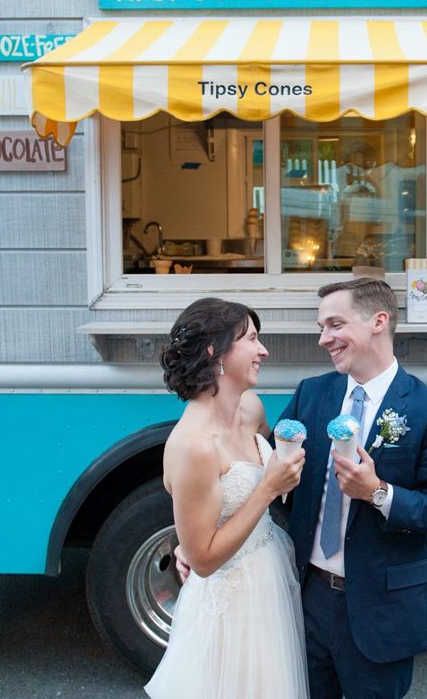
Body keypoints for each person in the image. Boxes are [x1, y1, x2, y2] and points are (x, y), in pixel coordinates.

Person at [281, 277, 427, 699]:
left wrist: (378, 491)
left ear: (378, 322)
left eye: (335, 325)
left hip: (382, 609)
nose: (323, 339)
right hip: (310, 598)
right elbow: (271, 477)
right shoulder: (311, 394)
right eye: (321, 328)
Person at [145, 298, 309, 699]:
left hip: (270, 575)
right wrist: (268, 489)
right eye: (251, 339)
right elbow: (202, 560)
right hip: (230, 598)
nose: (263, 351)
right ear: (213, 352)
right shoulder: (193, 445)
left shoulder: (251, 409)